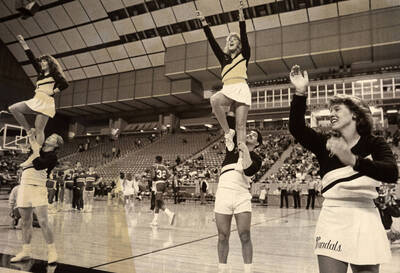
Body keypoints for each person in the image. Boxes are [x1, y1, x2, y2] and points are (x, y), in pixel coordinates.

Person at [289, 64, 398, 273]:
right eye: (331, 110)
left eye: (337, 109)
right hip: (332, 216)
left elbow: (392, 173)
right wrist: (300, 92)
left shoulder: (375, 143)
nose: (331, 114)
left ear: (355, 115)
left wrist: (354, 161)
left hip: (365, 216)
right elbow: (297, 128)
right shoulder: (325, 143)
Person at [196, 1, 250, 170]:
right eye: (230, 40)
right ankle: (228, 132)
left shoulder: (245, 54)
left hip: (241, 87)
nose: (232, 40)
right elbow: (212, 41)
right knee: (214, 100)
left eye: (235, 39)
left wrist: (241, 13)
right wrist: (204, 23)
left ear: (239, 45)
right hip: (228, 88)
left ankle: (242, 159)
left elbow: (244, 32)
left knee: (241, 126)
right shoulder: (223, 59)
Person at [214, 112, 262, 273]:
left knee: (245, 235)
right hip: (223, 193)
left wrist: (245, 151)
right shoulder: (233, 146)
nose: (250, 134)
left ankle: (248, 270)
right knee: (222, 236)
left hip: (241, 195)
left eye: (254, 135)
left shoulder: (257, 158)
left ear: (257, 143)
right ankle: (222, 269)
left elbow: (248, 171)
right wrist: (233, 109)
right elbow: (230, 122)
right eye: (250, 132)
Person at [8, 35, 68, 152]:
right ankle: (29, 131)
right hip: (36, 99)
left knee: (40, 129)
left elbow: (65, 84)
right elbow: (31, 58)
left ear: (49, 63)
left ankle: (36, 152)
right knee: (13, 108)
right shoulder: (40, 73)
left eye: (44, 61)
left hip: (46, 101)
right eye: (41, 62)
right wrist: (23, 43)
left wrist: (53, 91)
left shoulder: (54, 74)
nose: (42, 63)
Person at [11, 133, 63, 264]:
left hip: (38, 188)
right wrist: (32, 134)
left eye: (53, 138)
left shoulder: (53, 157)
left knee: (43, 221)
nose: (49, 138)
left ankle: (52, 252)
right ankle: (26, 251)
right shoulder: (37, 149)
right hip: (24, 187)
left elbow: (39, 165)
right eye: (49, 136)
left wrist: (35, 151)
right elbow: (34, 142)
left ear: (56, 144)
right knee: (25, 222)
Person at [150, 156, 175, 226]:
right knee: (157, 202)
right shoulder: (164, 167)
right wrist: (164, 179)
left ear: (156, 160)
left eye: (155, 159)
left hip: (158, 184)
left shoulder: (154, 166)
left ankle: (170, 214)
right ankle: (154, 221)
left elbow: (152, 176)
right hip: (163, 184)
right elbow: (170, 175)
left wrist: (153, 178)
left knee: (158, 202)